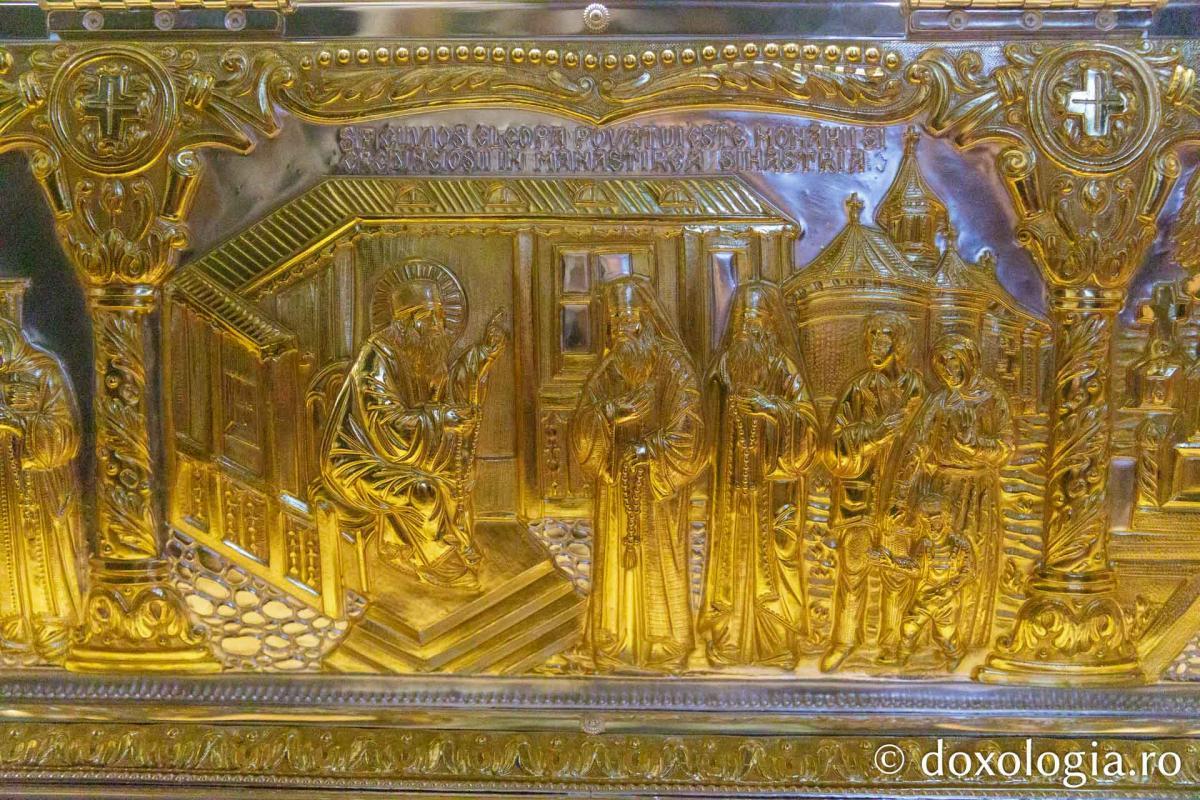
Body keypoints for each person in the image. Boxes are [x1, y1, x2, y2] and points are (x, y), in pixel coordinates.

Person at [321, 269, 507, 590]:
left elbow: (449, 389)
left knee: (455, 472)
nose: (438, 326)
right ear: (407, 321)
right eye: (429, 318)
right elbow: (386, 425)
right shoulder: (377, 357)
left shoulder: (422, 351)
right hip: (359, 460)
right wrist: (442, 419)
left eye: (439, 316)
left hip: (403, 455)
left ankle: (415, 544)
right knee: (422, 490)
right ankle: (437, 561)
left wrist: (482, 355)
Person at [571, 276, 705, 672]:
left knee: (660, 563)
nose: (622, 329)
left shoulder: (674, 367)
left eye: (630, 319)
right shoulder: (610, 369)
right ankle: (615, 638)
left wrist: (650, 449)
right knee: (617, 562)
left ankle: (664, 642)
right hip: (616, 489)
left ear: (646, 320)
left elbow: (691, 427)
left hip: (658, 490)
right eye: (616, 321)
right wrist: (609, 415)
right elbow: (583, 426)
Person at [698, 281, 819, 668]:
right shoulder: (723, 368)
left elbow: (807, 423)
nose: (748, 327)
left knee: (777, 558)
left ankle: (776, 643)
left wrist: (770, 408)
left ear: (769, 324)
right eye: (742, 319)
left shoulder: (784, 368)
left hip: (774, 488)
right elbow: (704, 421)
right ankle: (731, 639)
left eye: (756, 319)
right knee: (731, 560)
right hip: (732, 489)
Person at [890, 334, 1014, 650]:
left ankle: (967, 635)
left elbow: (1005, 448)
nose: (948, 370)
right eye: (941, 364)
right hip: (940, 489)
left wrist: (976, 447)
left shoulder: (990, 398)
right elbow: (916, 447)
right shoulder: (938, 402)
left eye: (953, 362)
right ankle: (925, 637)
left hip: (977, 490)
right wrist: (900, 496)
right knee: (934, 558)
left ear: (969, 362)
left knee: (970, 556)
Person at [821, 311, 925, 672]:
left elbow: (923, 442)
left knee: (896, 571)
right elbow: (833, 447)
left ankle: (891, 644)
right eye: (872, 337)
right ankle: (844, 641)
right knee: (853, 570)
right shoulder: (858, 389)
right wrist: (872, 435)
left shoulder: (915, 390)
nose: (876, 345)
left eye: (885, 338)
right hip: (859, 496)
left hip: (900, 496)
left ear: (900, 345)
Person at [0, 318, 83, 664]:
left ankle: (51, 631)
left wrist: (27, 421)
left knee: (41, 562)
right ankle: (11, 632)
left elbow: (66, 433)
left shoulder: (43, 371)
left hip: (36, 489)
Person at [868, 494, 974, 670]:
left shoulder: (961, 545)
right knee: (909, 627)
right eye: (926, 522)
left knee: (945, 633)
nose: (931, 528)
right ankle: (902, 658)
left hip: (946, 600)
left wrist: (950, 589)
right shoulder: (924, 545)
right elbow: (916, 568)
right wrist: (893, 563)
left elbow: (968, 571)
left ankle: (955, 654)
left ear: (947, 520)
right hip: (924, 595)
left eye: (936, 521)